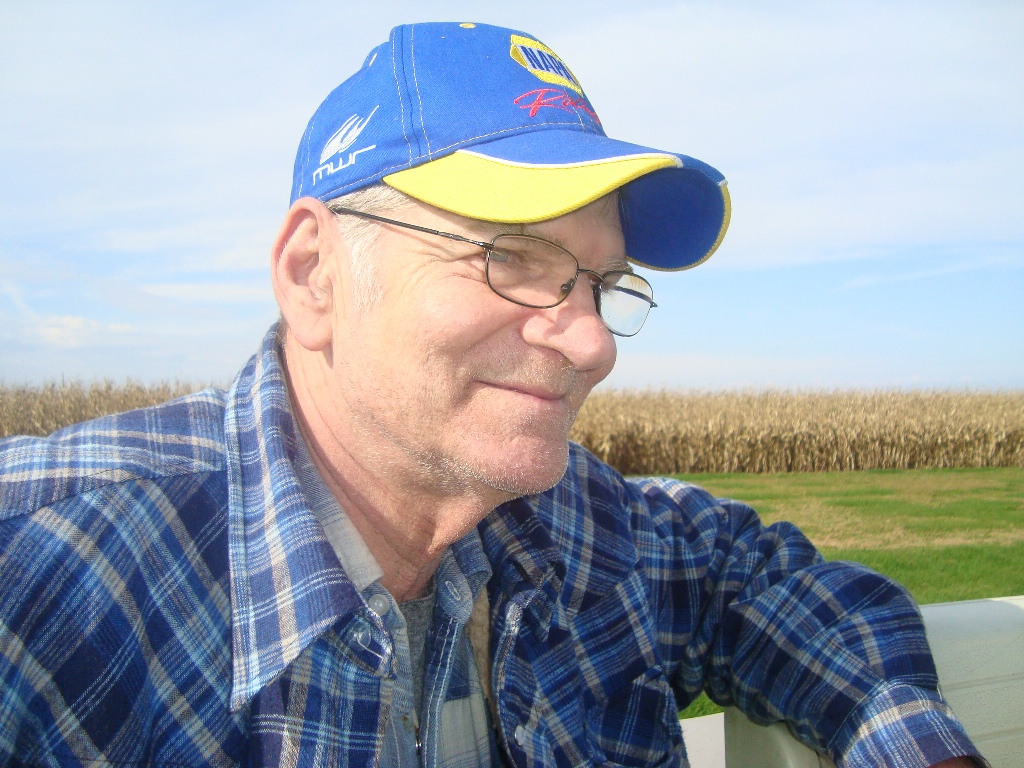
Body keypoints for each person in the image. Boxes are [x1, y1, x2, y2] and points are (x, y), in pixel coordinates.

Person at [0, 21, 984, 768]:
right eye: (512, 257)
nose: (591, 342)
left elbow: (761, 586)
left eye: (602, 284)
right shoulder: (45, 583)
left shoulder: (568, 530)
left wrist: (912, 741)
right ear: (314, 274)